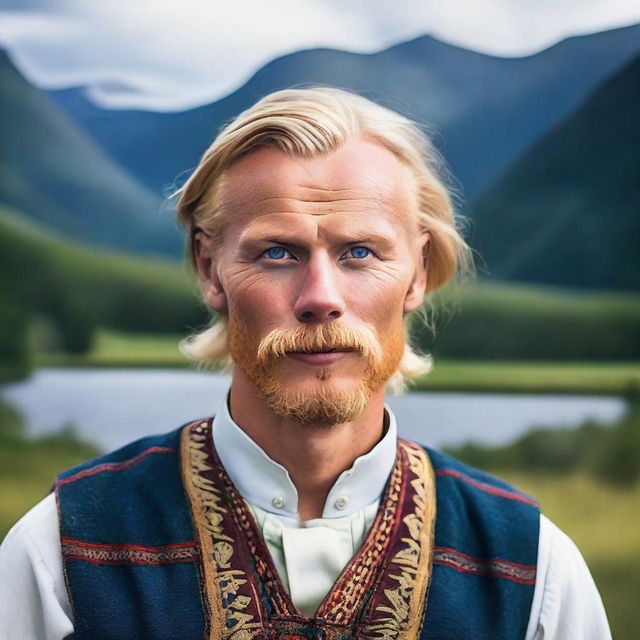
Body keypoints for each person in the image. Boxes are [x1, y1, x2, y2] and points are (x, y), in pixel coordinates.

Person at [0, 87, 611, 639]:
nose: (321, 297)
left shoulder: (532, 566)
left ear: (418, 273)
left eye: (360, 252)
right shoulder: (61, 551)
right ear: (210, 269)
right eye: (276, 252)